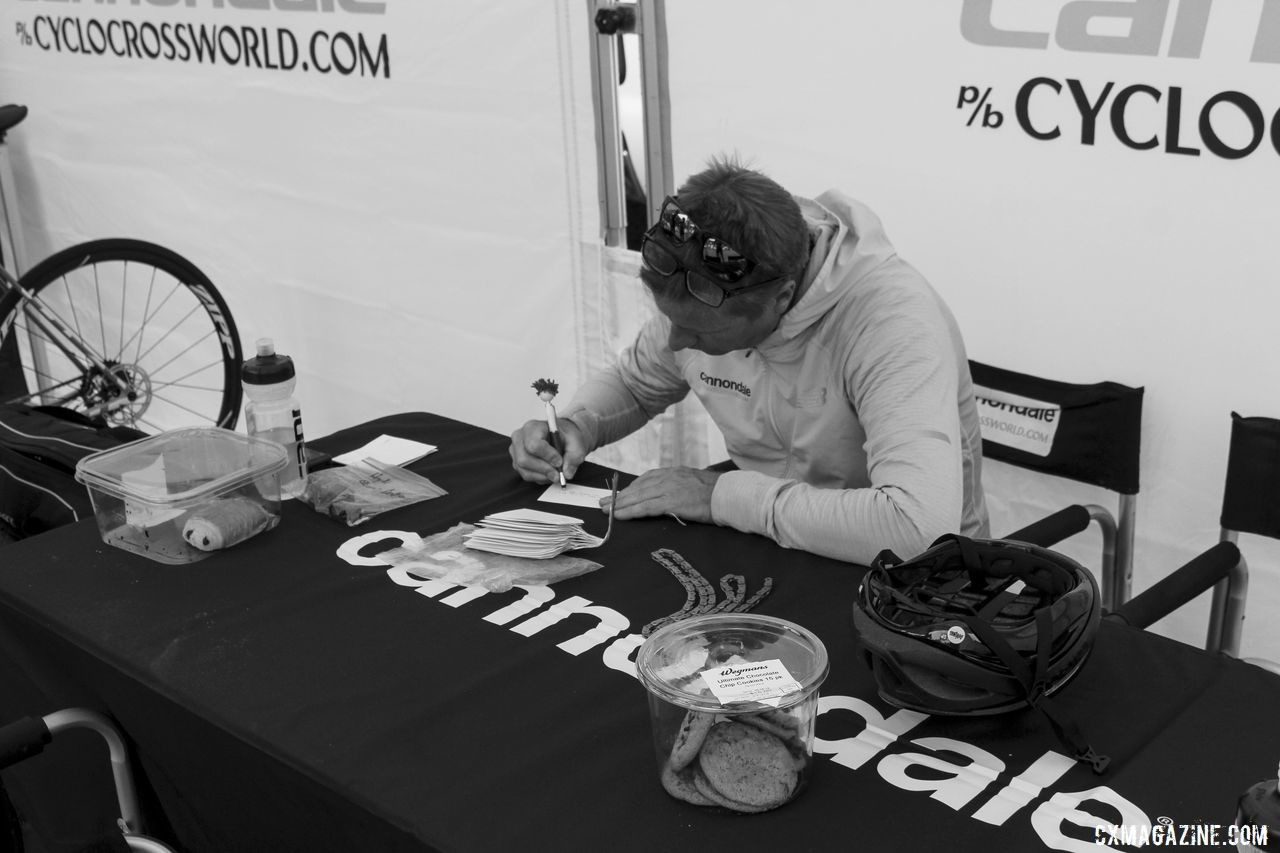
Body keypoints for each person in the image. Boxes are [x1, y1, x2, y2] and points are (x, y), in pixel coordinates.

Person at [509, 156, 989, 565]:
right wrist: (578, 424)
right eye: (670, 320)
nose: (677, 342)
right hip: (766, 543)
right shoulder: (705, 285)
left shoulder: (891, 325)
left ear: (781, 298)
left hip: (908, 584)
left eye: (699, 332)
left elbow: (918, 528)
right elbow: (637, 385)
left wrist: (721, 496)